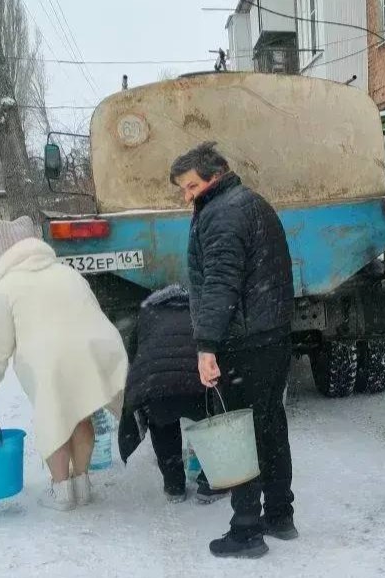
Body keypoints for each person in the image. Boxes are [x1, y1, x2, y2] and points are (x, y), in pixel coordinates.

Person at [171, 141, 296, 559]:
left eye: (190, 187)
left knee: (238, 432)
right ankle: (280, 515)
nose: (187, 196)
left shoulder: (221, 214)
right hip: (272, 335)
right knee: (270, 423)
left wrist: (206, 346)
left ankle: (246, 530)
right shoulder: (253, 203)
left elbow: (220, 284)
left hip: (243, 341)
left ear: (215, 176)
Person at [0, 216, 127, 511]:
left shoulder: (7, 288)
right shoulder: (67, 273)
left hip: (46, 362)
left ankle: (62, 494)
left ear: (4, 252)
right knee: (80, 417)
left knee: (54, 420)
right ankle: (82, 484)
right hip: (87, 353)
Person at [117, 284, 230, 504]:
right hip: (197, 381)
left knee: (162, 424)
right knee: (212, 423)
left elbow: (134, 352)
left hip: (157, 384)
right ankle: (211, 484)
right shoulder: (201, 308)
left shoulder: (147, 311)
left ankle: (174, 484)